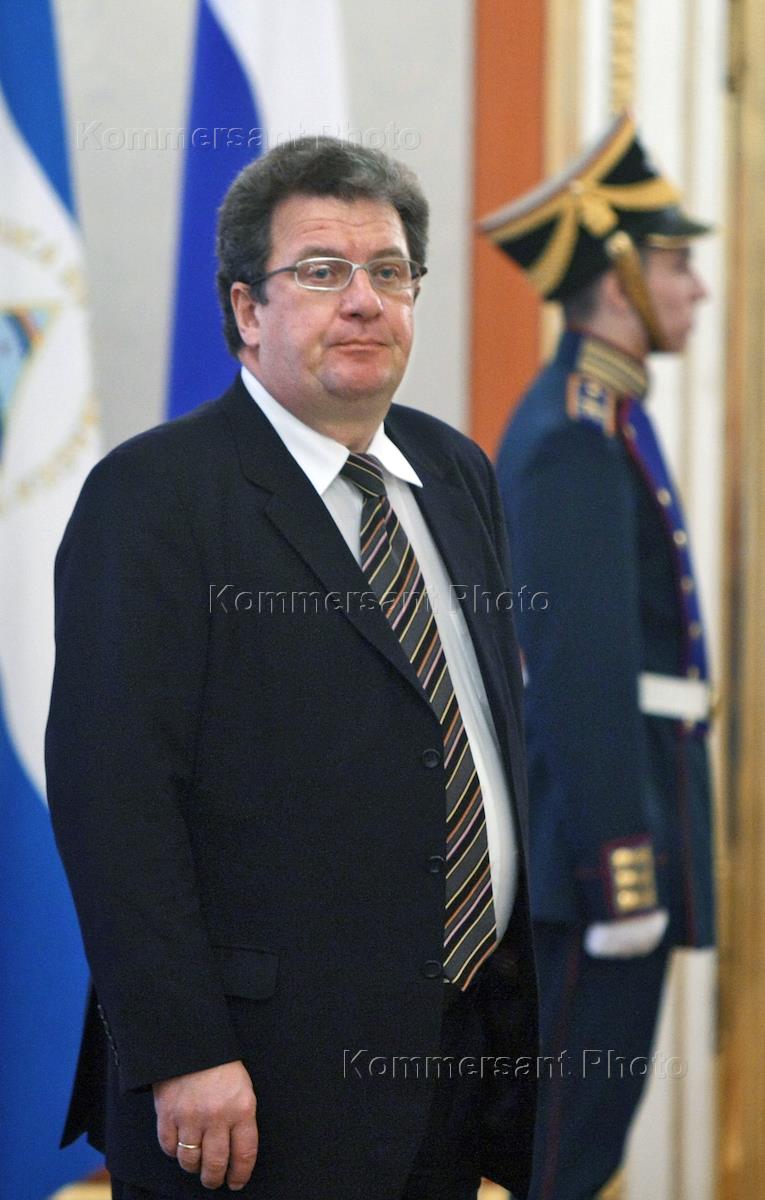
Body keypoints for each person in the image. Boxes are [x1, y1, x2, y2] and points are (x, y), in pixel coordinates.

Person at [46, 136, 538, 1200]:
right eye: (321, 271)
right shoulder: (154, 498)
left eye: (389, 271)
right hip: (255, 1083)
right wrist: (183, 1051)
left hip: (456, 1057)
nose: (363, 300)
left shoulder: (456, 472)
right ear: (247, 309)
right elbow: (111, 798)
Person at [479, 111, 715, 1200]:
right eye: (674, 264)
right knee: (562, 1161)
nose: (696, 289)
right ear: (617, 281)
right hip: (601, 858)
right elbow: (577, 677)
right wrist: (623, 869)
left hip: (632, 827)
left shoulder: (609, 415)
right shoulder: (574, 435)